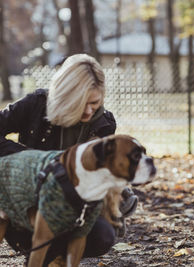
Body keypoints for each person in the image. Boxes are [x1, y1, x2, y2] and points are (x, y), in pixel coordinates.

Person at [0, 54, 136, 265]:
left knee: (103, 235)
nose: (90, 110)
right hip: (26, 205)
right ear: (66, 95)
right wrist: (30, 159)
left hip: (70, 211)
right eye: (83, 103)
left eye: (95, 103)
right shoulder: (36, 105)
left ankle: (54, 256)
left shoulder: (102, 126)